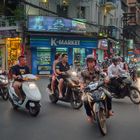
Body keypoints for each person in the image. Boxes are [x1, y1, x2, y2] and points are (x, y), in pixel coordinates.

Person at [80, 55, 113, 123]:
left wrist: (106, 78)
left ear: (95, 62)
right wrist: (81, 86)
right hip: (88, 89)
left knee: (109, 95)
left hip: (99, 87)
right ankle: (89, 115)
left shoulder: (98, 69)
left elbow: (104, 74)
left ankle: (109, 110)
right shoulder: (83, 71)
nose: (91, 63)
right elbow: (81, 80)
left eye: (92, 62)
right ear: (87, 63)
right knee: (85, 100)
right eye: (89, 62)